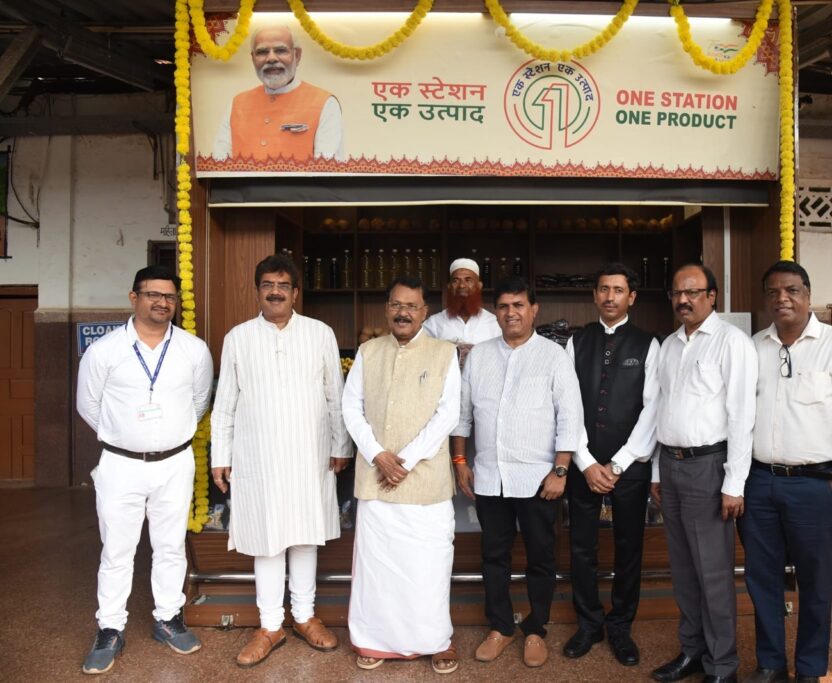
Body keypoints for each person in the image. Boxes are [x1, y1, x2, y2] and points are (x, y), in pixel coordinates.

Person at [210, 254, 351, 667]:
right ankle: (270, 625)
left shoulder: (319, 333)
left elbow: (334, 395)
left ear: (295, 292)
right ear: (258, 290)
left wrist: (340, 446)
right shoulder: (238, 337)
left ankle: (305, 617)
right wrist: (221, 455)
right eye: (268, 284)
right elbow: (225, 404)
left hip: (310, 453)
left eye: (283, 285)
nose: (275, 291)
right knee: (267, 539)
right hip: (257, 456)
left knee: (305, 534)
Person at [739, 261, 832, 683]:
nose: (783, 299)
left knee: (815, 583)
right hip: (759, 481)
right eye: (774, 292)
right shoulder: (753, 347)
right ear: (766, 299)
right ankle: (771, 663)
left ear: (808, 296)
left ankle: (811, 668)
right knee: (762, 579)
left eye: (792, 290)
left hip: (815, 485)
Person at [76, 265, 214, 675]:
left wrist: (165, 435)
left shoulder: (193, 349)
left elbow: (199, 400)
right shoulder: (105, 351)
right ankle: (110, 628)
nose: (162, 302)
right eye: (153, 294)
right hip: (120, 464)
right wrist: (127, 435)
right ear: (134, 298)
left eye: (169, 297)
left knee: (170, 546)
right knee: (117, 549)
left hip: (175, 462)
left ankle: (168, 619)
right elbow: (88, 405)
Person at [451, 276, 583, 669]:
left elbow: (570, 417)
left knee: (541, 557)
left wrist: (560, 470)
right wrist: (460, 461)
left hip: (539, 479)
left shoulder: (553, 356)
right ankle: (501, 627)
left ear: (534, 309)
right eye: (504, 306)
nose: (511, 313)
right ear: (496, 312)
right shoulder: (480, 355)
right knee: (494, 557)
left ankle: (537, 628)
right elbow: (462, 415)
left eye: (519, 305)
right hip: (490, 476)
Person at [341, 276, 462, 675]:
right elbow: (350, 408)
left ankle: (435, 640)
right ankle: (374, 639)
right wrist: (378, 455)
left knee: (427, 566)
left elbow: (448, 414)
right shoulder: (368, 352)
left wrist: (404, 461)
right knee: (379, 568)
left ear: (425, 312)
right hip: (377, 480)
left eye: (411, 306)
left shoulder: (444, 353)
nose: (403, 312)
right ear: (386, 309)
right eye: (396, 304)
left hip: (425, 483)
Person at [652, 264, 757, 683]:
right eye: (677, 293)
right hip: (673, 466)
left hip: (709, 468)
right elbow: (663, 409)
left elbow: (741, 416)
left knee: (713, 573)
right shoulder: (670, 345)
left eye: (693, 291)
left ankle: (722, 665)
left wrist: (734, 482)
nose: (684, 300)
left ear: (712, 296)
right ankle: (692, 651)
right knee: (683, 569)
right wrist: (659, 470)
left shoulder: (732, 343)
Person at [562, 263, 660, 666]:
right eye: (603, 289)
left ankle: (621, 626)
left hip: (630, 465)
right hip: (583, 465)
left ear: (631, 297)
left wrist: (617, 464)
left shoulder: (648, 343)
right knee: (581, 547)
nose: (609, 297)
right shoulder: (576, 342)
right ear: (594, 295)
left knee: (628, 548)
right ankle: (588, 623)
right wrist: (585, 462)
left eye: (618, 290)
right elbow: (566, 407)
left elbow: (653, 409)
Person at [212, 25, 344, 163]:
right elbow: (219, 164)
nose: (271, 58)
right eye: (262, 52)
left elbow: (328, 171)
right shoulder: (237, 104)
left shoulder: (325, 103)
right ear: (253, 58)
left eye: (280, 50)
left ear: (297, 55)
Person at [423, 257, 502, 366]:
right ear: (449, 286)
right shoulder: (434, 323)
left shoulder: (495, 324)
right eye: (456, 280)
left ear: (479, 286)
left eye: (468, 280)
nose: (461, 285)